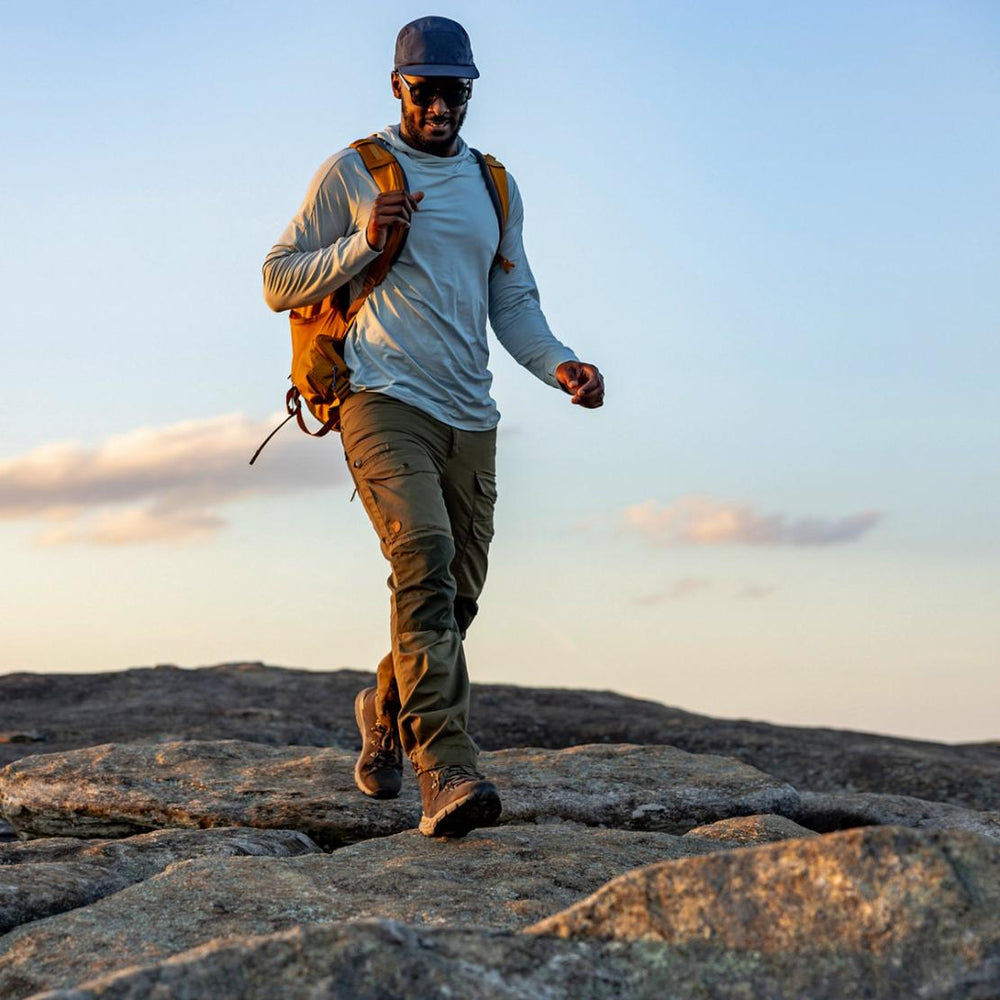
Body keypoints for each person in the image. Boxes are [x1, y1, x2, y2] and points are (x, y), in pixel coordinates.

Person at [262, 16, 604, 838]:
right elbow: (277, 278)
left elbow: (511, 300)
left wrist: (559, 364)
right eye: (427, 90)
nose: (441, 105)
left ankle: (385, 707)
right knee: (423, 554)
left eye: (456, 90)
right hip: (380, 398)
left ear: (470, 91)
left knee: (454, 600)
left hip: (470, 412)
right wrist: (361, 241)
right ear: (398, 88)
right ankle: (445, 768)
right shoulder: (355, 170)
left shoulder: (495, 184)